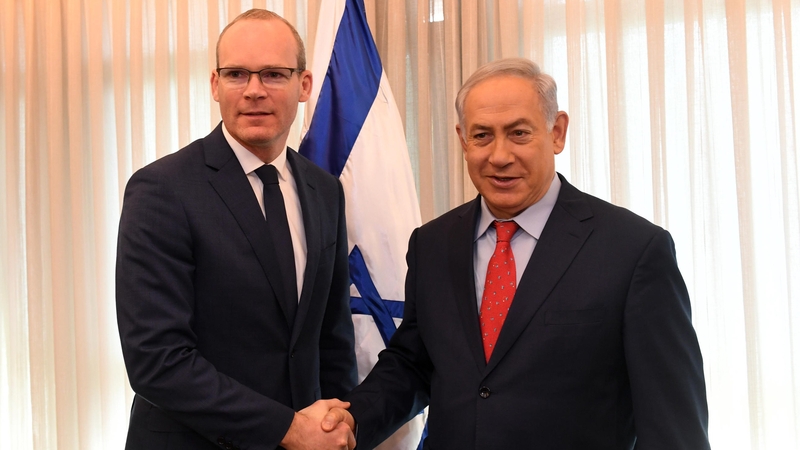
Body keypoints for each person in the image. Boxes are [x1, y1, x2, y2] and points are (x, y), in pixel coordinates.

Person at [322, 58, 711, 449]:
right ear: (462, 140)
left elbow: (673, 425)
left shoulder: (634, 251)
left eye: (519, 133)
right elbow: (414, 365)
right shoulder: (432, 244)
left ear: (557, 133)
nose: (499, 156)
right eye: (482, 136)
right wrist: (352, 420)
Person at [115, 9, 357, 450]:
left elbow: (331, 336)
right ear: (214, 84)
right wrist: (288, 430)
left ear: (304, 86)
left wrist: (335, 422)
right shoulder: (161, 190)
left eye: (273, 74)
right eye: (237, 74)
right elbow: (156, 361)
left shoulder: (325, 191)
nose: (253, 91)